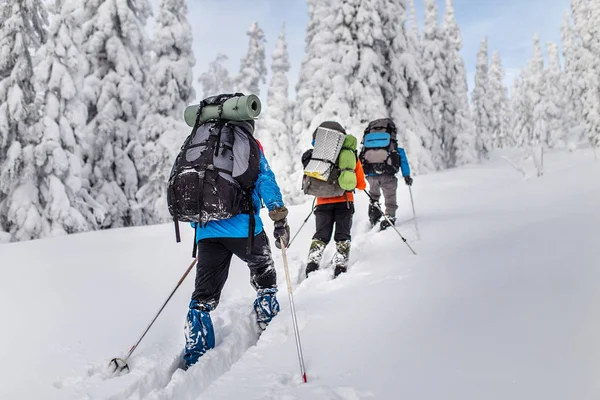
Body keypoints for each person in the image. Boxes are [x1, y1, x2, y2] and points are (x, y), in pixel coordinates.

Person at [182, 129, 290, 369]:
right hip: (244, 228)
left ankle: (196, 350)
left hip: (207, 230)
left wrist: (200, 228)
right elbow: (265, 179)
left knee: (203, 294)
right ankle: (268, 317)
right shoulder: (249, 145)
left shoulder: (200, 144)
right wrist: (278, 217)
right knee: (263, 269)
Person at [302, 121, 367, 278]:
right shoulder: (349, 155)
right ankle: (340, 265)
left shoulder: (316, 155)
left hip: (322, 202)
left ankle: (312, 263)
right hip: (345, 200)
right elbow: (360, 184)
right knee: (342, 234)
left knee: (321, 234)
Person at [359, 118, 413, 230]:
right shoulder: (393, 146)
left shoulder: (369, 145)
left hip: (371, 175)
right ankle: (389, 216)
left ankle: (374, 213)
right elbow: (402, 159)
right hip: (388, 175)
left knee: (373, 195)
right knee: (390, 197)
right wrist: (406, 175)